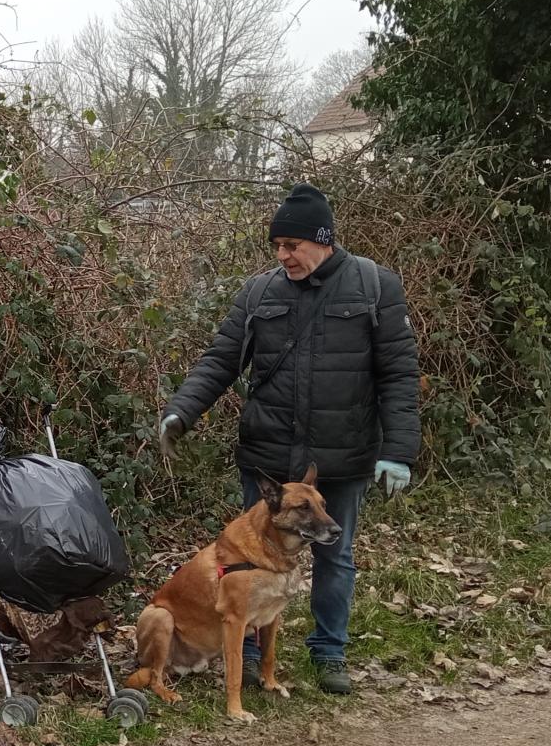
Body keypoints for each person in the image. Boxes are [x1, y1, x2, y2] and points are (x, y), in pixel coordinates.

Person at [157, 183, 421, 694]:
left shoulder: (374, 287)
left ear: (322, 241)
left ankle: (329, 653)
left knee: (334, 556)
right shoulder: (259, 292)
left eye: (291, 245)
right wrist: (181, 413)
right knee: (248, 560)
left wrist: (398, 451)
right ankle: (250, 654)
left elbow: (398, 373)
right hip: (270, 456)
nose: (283, 256)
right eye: (276, 246)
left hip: (339, 457)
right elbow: (220, 360)